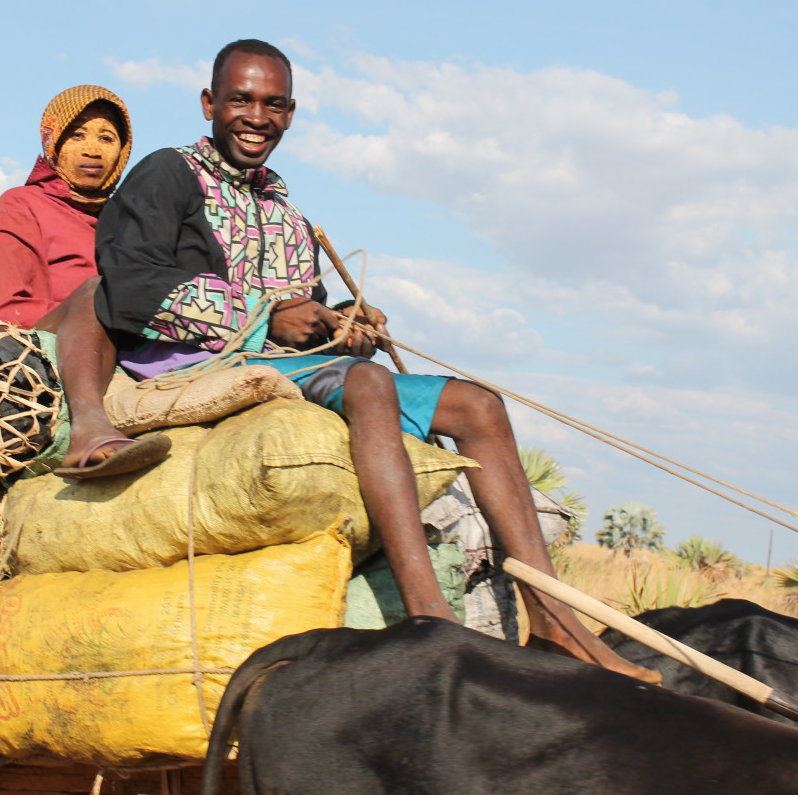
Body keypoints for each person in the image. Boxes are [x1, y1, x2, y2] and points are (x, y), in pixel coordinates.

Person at [92, 40, 660, 683]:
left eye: (273, 104)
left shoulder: (283, 206)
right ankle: (430, 618)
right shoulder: (168, 174)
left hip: (290, 363)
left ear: (292, 113)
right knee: (367, 387)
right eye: (241, 100)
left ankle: (554, 618)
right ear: (209, 105)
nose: (257, 117)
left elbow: (304, 312)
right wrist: (262, 314)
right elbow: (129, 282)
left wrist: (343, 321)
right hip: (197, 365)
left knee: (479, 405)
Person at [0, 85, 169, 478]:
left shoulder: (128, 224)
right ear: (53, 141)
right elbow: (1, 313)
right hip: (28, 351)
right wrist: (93, 321)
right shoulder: (20, 205)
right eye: (77, 135)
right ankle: (89, 426)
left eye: (107, 138)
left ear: (122, 151)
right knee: (98, 292)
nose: (93, 149)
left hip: (114, 349)